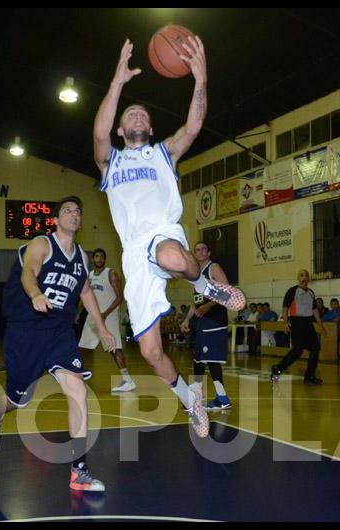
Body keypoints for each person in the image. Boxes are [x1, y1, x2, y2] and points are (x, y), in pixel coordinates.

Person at [93, 37, 245, 438]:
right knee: (150, 351)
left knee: (174, 258)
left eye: (143, 114)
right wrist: (117, 83)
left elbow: (194, 126)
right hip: (131, 252)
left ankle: (205, 285)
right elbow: (97, 133)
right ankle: (189, 399)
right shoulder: (110, 162)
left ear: (151, 126)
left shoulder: (163, 153)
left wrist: (200, 78)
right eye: (131, 115)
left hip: (162, 234)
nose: (138, 117)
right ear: (122, 128)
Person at [0, 197, 115, 492]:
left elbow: (86, 292)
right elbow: (29, 271)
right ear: (55, 219)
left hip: (59, 332)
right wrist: (35, 294)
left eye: (78, 211)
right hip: (26, 330)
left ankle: (79, 471)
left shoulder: (81, 256)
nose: (74, 214)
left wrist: (103, 328)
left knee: (78, 390)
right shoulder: (41, 243)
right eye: (67, 210)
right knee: (19, 400)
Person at [181, 241, 233, 411]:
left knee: (211, 360)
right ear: (194, 254)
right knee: (199, 360)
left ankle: (221, 399)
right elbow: (195, 302)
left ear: (209, 252)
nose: (200, 251)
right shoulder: (196, 274)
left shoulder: (214, 268)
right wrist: (186, 319)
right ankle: (203, 397)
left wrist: (208, 306)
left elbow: (226, 291)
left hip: (215, 321)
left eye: (204, 248)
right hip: (203, 323)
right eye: (197, 250)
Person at [78, 247, 136, 392]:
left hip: (108, 316)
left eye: (101, 256)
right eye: (96, 256)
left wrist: (105, 313)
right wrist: (78, 313)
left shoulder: (111, 274)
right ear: (93, 259)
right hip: (93, 316)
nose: (98, 259)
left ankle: (127, 380)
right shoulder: (90, 275)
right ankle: (77, 376)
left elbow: (119, 297)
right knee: (82, 346)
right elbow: (85, 296)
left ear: (104, 259)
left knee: (114, 348)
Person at [271, 270, 326, 385]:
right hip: (296, 322)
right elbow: (285, 307)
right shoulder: (292, 291)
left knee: (316, 348)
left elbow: (314, 310)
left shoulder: (311, 292)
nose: (304, 277)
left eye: (306, 275)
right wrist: (286, 322)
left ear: (308, 278)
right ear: (298, 278)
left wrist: (321, 325)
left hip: (308, 323)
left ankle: (309, 376)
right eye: (301, 275)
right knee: (297, 351)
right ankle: (277, 369)